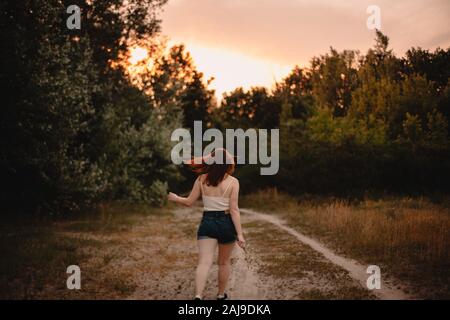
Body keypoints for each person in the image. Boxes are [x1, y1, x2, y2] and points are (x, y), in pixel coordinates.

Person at [167, 148, 246, 300]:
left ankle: (198, 296)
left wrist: (176, 198)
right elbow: (234, 210)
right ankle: (221, 295)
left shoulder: (201, 179)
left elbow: (189, 202)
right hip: (226, 224)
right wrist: (240, 235)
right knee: (223, 263)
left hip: (207, 223)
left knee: (203, 263)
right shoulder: (233, 182)